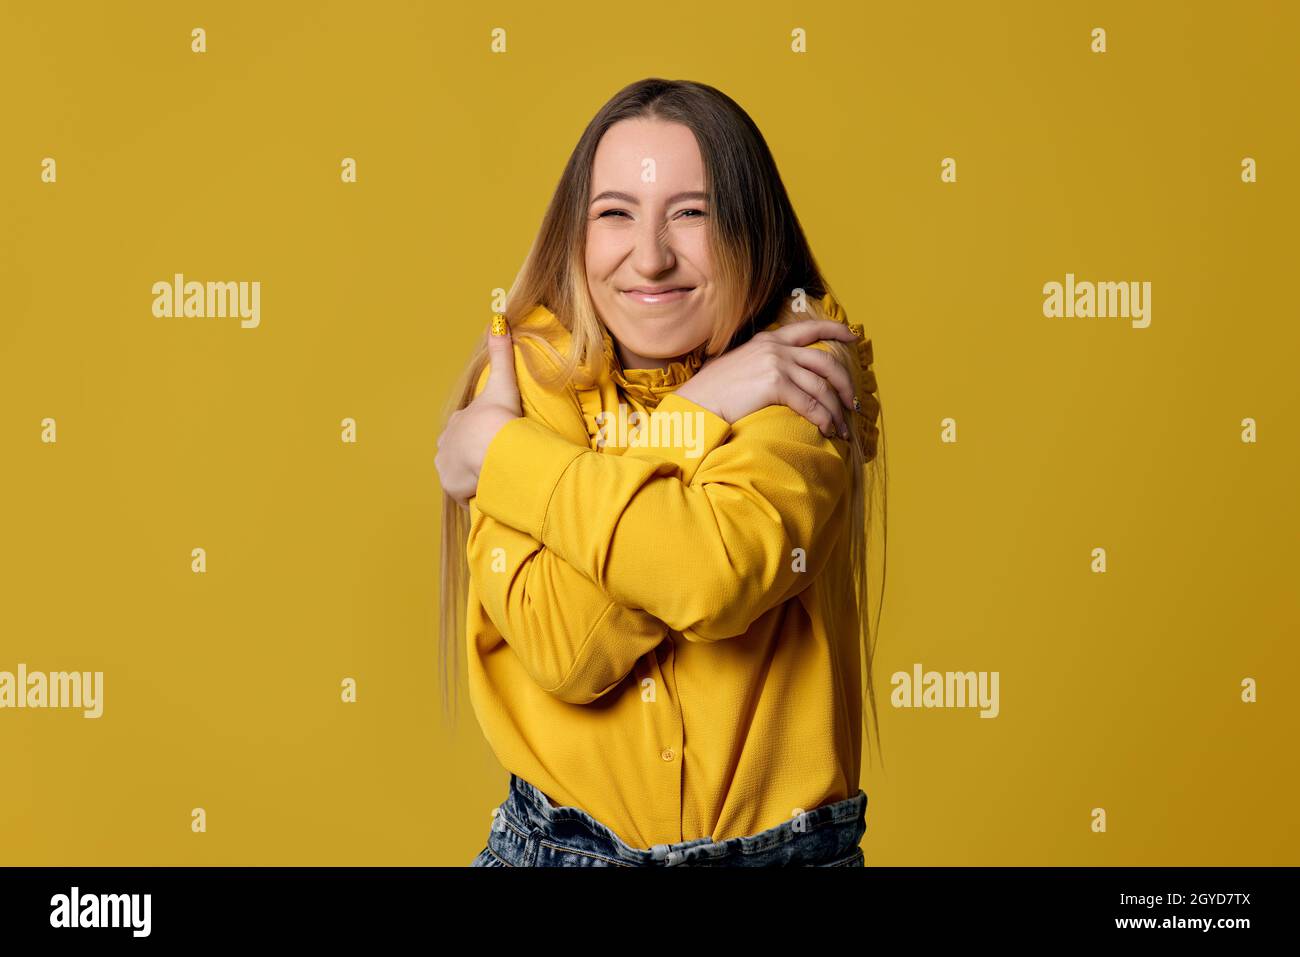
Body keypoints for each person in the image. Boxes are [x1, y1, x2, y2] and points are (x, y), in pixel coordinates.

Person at [435, 77, 887, 867]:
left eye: (693, 212)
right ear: (576, 234)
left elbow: (711, 578)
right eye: (615, 212)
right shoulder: (523, 376)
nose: (650, 255)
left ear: (753, 227)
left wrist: (506, 457)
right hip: (552, 849)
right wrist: (704, 406)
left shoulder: (805, 363)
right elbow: (565, 650)